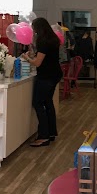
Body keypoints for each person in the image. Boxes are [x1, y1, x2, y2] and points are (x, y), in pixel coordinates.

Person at [22, 18, 64, 146]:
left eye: (34, 29)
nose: (33, 32)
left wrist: (27, 58)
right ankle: (51, 133)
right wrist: (33, 56)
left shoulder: (43, 41)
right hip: (54, 74)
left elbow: (38, 63)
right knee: (48, 102)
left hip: (46, 76)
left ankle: (43, 135)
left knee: (38, 103)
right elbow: (46, 58)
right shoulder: (52, 39)